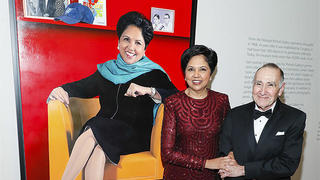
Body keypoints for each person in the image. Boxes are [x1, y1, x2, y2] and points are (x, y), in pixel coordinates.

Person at [47, 11, 177, 180]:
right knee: (98, 151)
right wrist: (62, 89)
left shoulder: (154, 74)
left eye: (138, 43)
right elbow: (83, 87)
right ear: (118, 42)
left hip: (135, 137)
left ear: (145, 49)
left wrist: (149, 90)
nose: (131, 47)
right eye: (126, 39)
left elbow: (177, 98)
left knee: (95, 127)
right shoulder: (107, 70)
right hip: (105, 133)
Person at [218, 63, 306, 180]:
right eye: (258, 84)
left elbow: (288, 164)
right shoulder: (234, 114)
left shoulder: (295, 118)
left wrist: (244, 170)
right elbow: (223, 152)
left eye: (270, 85)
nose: (263, 91)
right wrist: (227, 160)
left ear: (281, 90)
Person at [161, 45, 233, 180]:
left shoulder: (221, 100)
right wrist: (206, 163)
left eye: (203, 69)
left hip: (211, 176)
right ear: (184, 74)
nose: (196, 75)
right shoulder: (173, 102)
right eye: (191, 69)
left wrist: (230, 156)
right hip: (178, 176)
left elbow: (229, 139)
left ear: (211, 74)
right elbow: (167, 153)